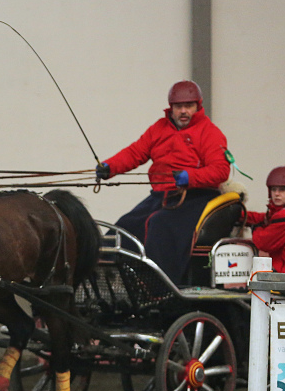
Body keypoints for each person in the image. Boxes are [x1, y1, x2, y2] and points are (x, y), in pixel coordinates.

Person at [96, 80, 230, 284]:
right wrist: (110, 167)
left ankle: (157, 285)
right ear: (171, 108)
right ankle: (110, 279)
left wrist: (190, 177)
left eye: (189, 106)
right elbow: (135, 152)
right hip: (161, 196)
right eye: (178, 107)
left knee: (159, 225)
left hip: (194, 196)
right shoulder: (159, 128)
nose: (183, 111)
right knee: (124, 227)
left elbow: (221, 170)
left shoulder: (210, 132)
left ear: (198, 106)